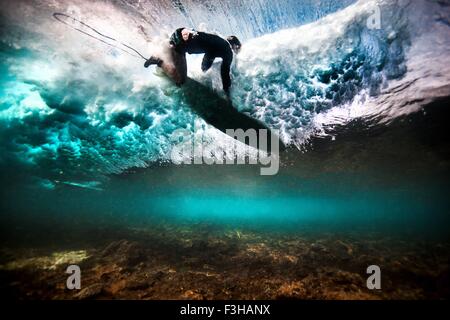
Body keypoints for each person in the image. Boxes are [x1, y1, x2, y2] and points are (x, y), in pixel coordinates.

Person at [145, 28, 241, 94]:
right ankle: (159, 61)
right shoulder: (227, 51)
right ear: (234, 46)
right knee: (181, 80)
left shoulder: (217, 41)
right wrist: (227, 93)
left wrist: (204, 71)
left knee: (174, 50)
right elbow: (225, 74)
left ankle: (158, 50)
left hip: (180, 35)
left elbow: (207, 60)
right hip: (181, 44)